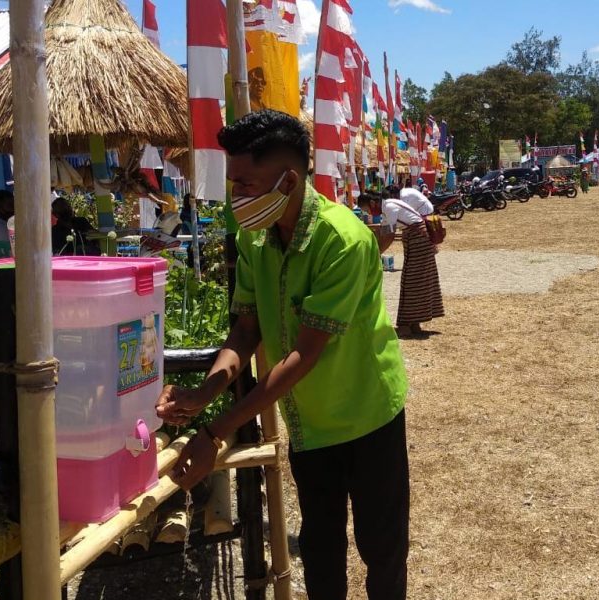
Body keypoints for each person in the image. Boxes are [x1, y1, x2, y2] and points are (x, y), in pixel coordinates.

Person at [155, 110, 410, 600]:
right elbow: (246, 330)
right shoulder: (256, 238)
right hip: (310, 426)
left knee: (381, 547)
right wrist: (204, 391)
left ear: (289, 179)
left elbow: (302, 356)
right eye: (234, 184)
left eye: (248, 183)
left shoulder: (344, 240)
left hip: (366, 415)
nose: (238, 198)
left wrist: (214, 432)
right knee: (319, 547)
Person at [358, 188, 444, 339]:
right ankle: (413, 323)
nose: (369, 214)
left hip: (418, 240)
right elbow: (383, 233)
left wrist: (375, 254)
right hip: (416, 239)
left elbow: (389, 236)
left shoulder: (389, 207)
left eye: (367, 210)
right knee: (414, 280)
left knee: (412, 281)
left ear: (373, 203)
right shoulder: (388, 206)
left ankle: (407, 324)